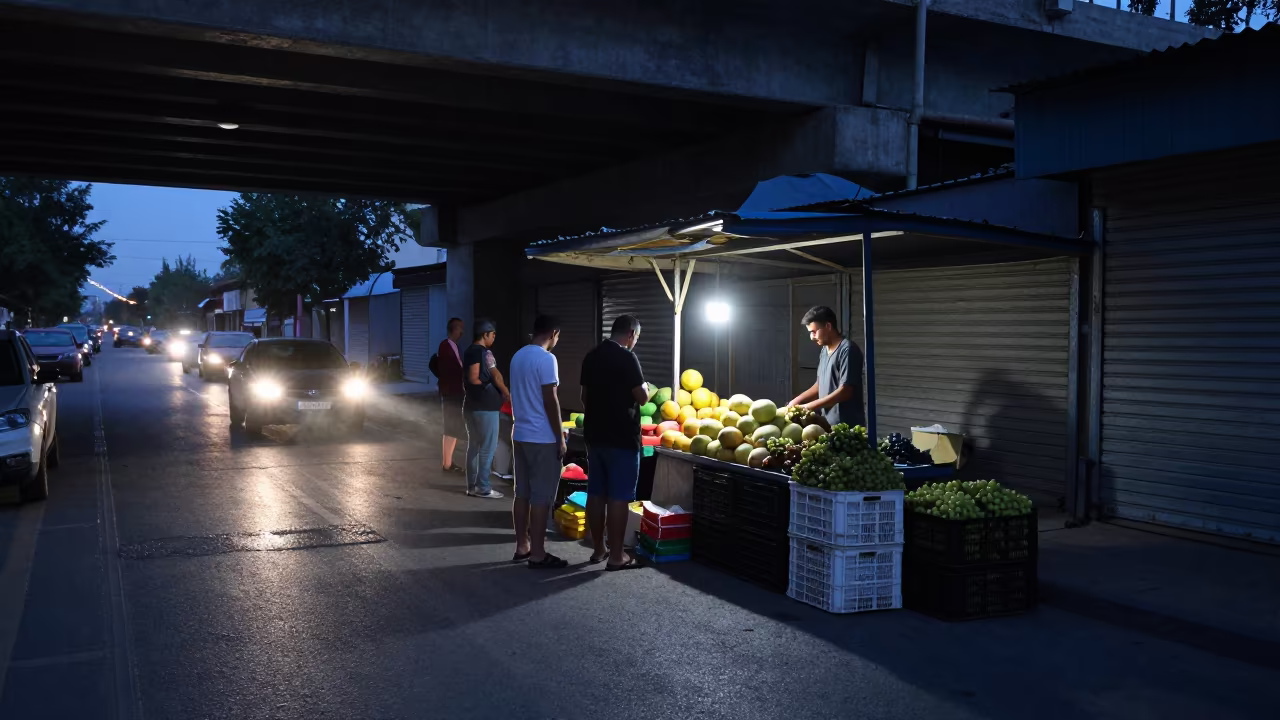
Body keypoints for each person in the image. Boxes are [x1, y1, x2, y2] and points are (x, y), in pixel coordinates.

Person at [580, 314, 648, 571]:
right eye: (637, 338)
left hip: (594, 436)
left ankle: (599, 549)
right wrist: (646, 389)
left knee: (596, 493)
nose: (635, 342)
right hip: (621, 437)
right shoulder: (627, 357)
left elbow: (584, 396)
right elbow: (641, 397)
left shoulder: (592, 355)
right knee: (619, 496)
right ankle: (617, 556)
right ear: (631, 334)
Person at [508, 315, 569, 568]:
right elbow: (550, 399)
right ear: (553, 332)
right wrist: (560, 437)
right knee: (541, 497)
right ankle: (538, 553)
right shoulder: (547, 359)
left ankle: (523, 546)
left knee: (521, 493)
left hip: (520, 433)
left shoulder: (517, 356)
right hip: (542, 437)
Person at [788, 305, 865, 428]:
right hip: (828, 423)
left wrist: (808, 406)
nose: (812, 337)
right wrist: (797, 401)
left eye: (814, 331)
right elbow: (819, 384)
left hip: (847, 426)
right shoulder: (824, 350)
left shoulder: (848, 350)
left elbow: (845, 391)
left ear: (828, 326)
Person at [463, 318, 510, 499]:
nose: (494, 338)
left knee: (473, 446)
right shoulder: (484, 353)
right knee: (487, 448)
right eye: (493, 335)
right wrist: (505, 392)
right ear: (485, 335)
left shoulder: (468, 351)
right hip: (485, 407)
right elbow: (491, 376)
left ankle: (472, 486)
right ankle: (483, 487)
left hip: (470, 406)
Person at [437, 317, 466, 474]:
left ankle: (448, 462)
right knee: (451, 427)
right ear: (454, 329)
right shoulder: (447, 346)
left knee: (452, 427)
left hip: (454, 392)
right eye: (461, 328)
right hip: (451, 393)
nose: (463, 331)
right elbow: (456, 369)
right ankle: (447, 463)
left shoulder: (453, 346)